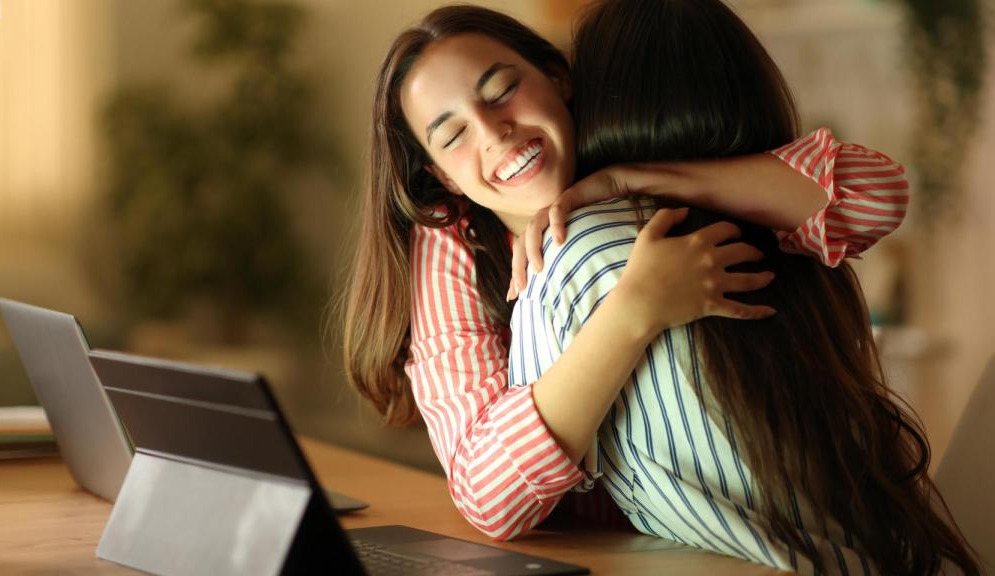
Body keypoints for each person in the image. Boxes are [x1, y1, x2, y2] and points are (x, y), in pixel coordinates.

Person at [342, 4, 909, 546]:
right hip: (604, 545)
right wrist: (634, 310)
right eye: (453, 135)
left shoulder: (641, 140)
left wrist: (633, 178)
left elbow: (877, 195)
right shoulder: (455, 241)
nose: (493, 131)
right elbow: (488, 496)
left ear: (557, 77)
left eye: (502, 90)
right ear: (443, 176)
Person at [507, 0, 978, 574]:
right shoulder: (786, 219)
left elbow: (517, 493)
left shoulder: (572, 249)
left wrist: (627, 178)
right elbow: (883, 193)